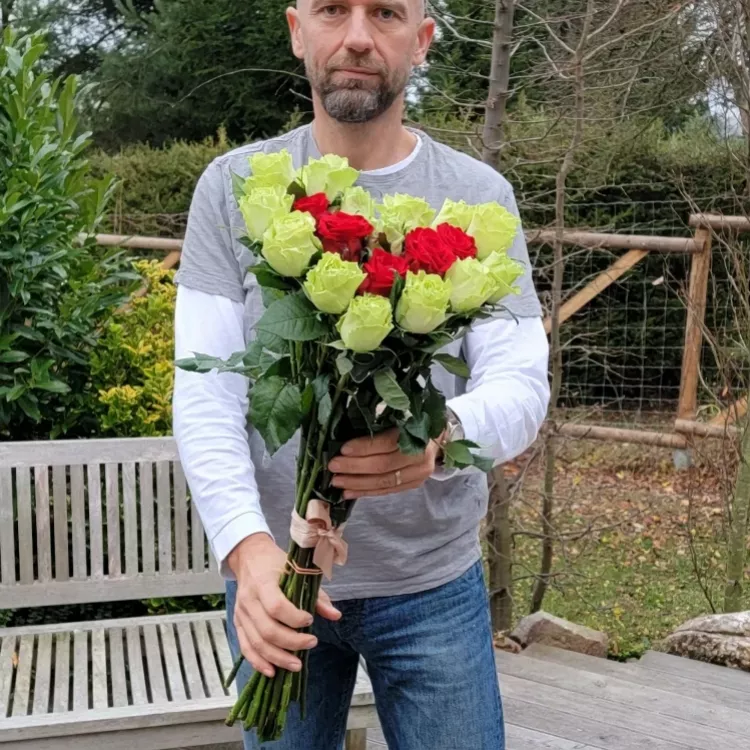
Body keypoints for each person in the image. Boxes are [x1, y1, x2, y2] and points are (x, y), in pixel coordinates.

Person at [173, 1, 550, 747]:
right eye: (332, 10)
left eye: (384, 13)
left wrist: (441, 435)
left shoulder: (479, 198)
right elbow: (206, 394)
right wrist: (247, 550)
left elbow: (521, 384)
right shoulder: (236, 188)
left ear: (422, 40)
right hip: (277, 579)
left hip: (431, 586)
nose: (356, 37)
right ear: (296, 30)